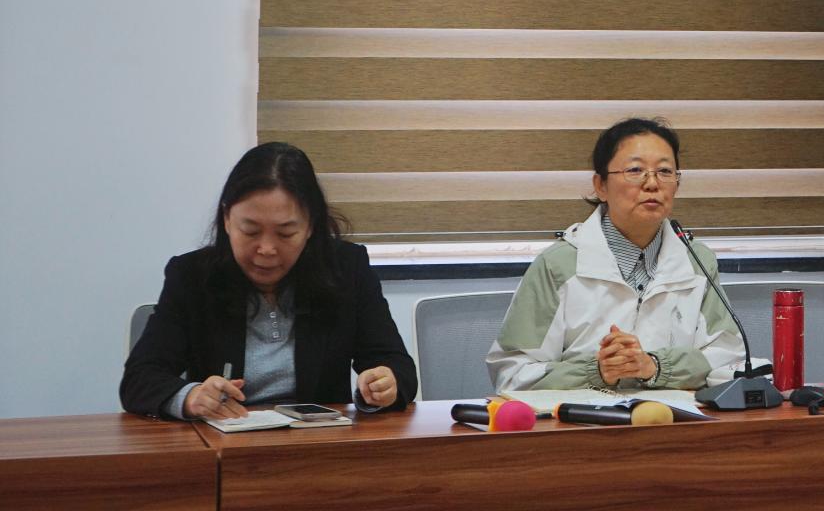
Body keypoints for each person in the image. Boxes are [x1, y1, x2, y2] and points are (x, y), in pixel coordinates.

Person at [121, 142, 418, 420]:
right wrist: (190, 397)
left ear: (311, 226)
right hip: (224, 444)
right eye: (250, 231)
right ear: (227, 219)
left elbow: (397, 366)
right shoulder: (191, 276)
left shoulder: (346, 268)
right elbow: (139, 378)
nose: (266, 249)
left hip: (318, 442)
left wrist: (384, 383)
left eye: (285, 233)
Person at [486, 117, 752, 391]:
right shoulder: (558, 265)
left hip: (672, 416)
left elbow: (729, 361)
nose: (652, 184)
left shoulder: (697, 261)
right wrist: (597, 371)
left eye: (664, 171)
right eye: (635, 170)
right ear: (601, 185)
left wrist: (656, 366)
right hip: (583, 416)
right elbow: (513, 373)